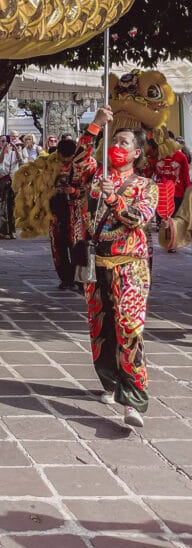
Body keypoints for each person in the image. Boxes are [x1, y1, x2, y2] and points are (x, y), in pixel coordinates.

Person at [73, 106, 158, 429]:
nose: (117, 147)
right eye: (115, 141)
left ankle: (133, 399)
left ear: (136, 153)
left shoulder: (145, 186)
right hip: (96, 266)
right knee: (100, 328)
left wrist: (115, 201)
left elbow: (139, 218)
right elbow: (77, 160)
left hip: (129, 267)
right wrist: (95, 124)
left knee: (129, 329)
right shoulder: (97, 176)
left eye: (124, 143)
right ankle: (109, 380)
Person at [47, 137, 92, 291]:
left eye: (68, 159)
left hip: (78, 210)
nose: (65, 162)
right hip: (56, 209)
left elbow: (94, 186)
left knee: (78, 244)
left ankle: (79, 279)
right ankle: (65, 278)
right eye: (62, 158)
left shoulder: (87, 164)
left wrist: (75, 191)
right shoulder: (49, 163)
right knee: (58, 245)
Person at [0, 136, 22, 239]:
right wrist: (3, 150)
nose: (4, 143)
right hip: (2, 182)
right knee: (2, 207)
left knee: (12, 207)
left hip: (12, 182)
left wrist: (15, 149)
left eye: (6, 141)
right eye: (2, 142)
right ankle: (3, 231)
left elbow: (21, 161)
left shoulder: (14, 154)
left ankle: (12, 230)